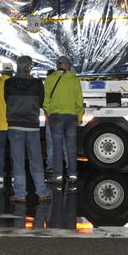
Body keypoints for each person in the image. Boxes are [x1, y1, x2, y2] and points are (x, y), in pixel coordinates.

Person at [4, 55, 51, 202]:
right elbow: (40, 102)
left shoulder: (9, 83)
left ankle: (20, 194)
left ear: (17, 66)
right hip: (32, 125)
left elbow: (7, 99)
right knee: (36, 159)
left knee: (18, 160)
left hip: (15, 124)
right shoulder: (37, 83)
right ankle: (42, 192)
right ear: (30, 67)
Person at [43, 55, 84, 188]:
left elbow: (45, 99)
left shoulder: (50, 78)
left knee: (57, 146)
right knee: (71, 147)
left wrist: (49, 113)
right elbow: (79, 99)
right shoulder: (74, 80)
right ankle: (73, 174)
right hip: (71, 116)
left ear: (58, 65)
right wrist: (79, 115)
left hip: (56, 116)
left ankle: (58, 175)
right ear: (67, 65)